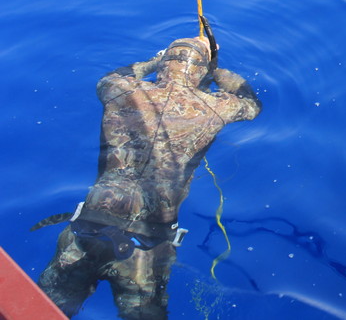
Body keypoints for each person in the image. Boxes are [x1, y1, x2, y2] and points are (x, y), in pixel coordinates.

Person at [35, 26, 261, 319]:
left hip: (86, 230)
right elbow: (252, 106)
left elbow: (114, 76)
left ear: (163, 64)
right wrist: (217, 70)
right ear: (200, 73)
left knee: (38, 310)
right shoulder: (214, 107)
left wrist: (153, 62)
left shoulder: (121, 91)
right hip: (145, 249)